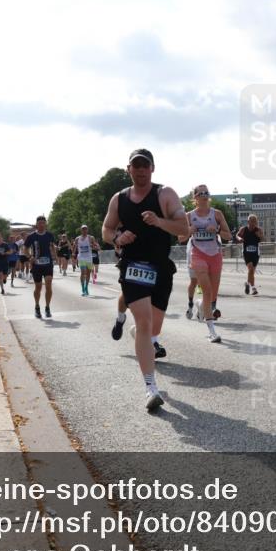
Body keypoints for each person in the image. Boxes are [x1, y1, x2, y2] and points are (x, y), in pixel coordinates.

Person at [102, 148, 188, 412]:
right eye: (135, 166)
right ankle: (151, 387)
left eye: (144, 166)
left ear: (152, 169)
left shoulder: (165, 194)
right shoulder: (119, 199)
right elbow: (106, 229)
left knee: (153, 327)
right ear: (128, 169)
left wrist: (160, 222)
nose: (140, 170)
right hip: (133, 266)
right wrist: (117, 238)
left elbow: (184, 229)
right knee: (144, 321)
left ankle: (140, 336)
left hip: (161, 266)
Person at [186, 184, 230, 342]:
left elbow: (228, 235)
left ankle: (199, 304)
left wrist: (217, 230)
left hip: (215, 255)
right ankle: (212, 331)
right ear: (195, 197)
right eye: (201, 193)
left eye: (207, 192)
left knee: (212, 294)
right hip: (198, 254)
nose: (204, 195)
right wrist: (188, 231)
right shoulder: (189, 216)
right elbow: (180, 237)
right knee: (206, 290)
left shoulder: (216, 214)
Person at [23, 216, 58, 318]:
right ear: (37, 224)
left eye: (44, 223)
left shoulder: (49, 235)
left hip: (48, 264)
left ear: (46, 223)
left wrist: (55, 256)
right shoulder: (31, 236)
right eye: (40, 223)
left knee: (48, 284)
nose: (42, 225)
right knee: (38, 287)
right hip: (36, 265)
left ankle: (47, 307)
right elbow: (25, 249)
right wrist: (30, 257)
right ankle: (37, 307)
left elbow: (52, 246)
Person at [235, 214, 263, 295]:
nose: (254, 223)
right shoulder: (244, 229)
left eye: (255, 221)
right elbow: (237, 235)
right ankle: (253, 288)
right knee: (250, 269)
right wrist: (239, 238)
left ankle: (247, 283)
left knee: (251, 272)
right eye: (252, 221)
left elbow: (262, 239)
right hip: (246, 252)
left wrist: (260, 236)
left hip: (255, 253)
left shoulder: (258, 230)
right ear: (248, 221)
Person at [73, 225, 99, 297]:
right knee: (83, 272)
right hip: (81, 257)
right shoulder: (77, 238)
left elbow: (95, 246)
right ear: (81, 230)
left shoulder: (90, 238)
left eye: (85, 229)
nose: (84, 230)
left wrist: (95, 246)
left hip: (89, 258)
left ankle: (86, 287)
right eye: (83, 229)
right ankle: (83, 289)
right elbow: (74, 247)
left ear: (87, 230)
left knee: (88, 273)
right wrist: (73, 254)